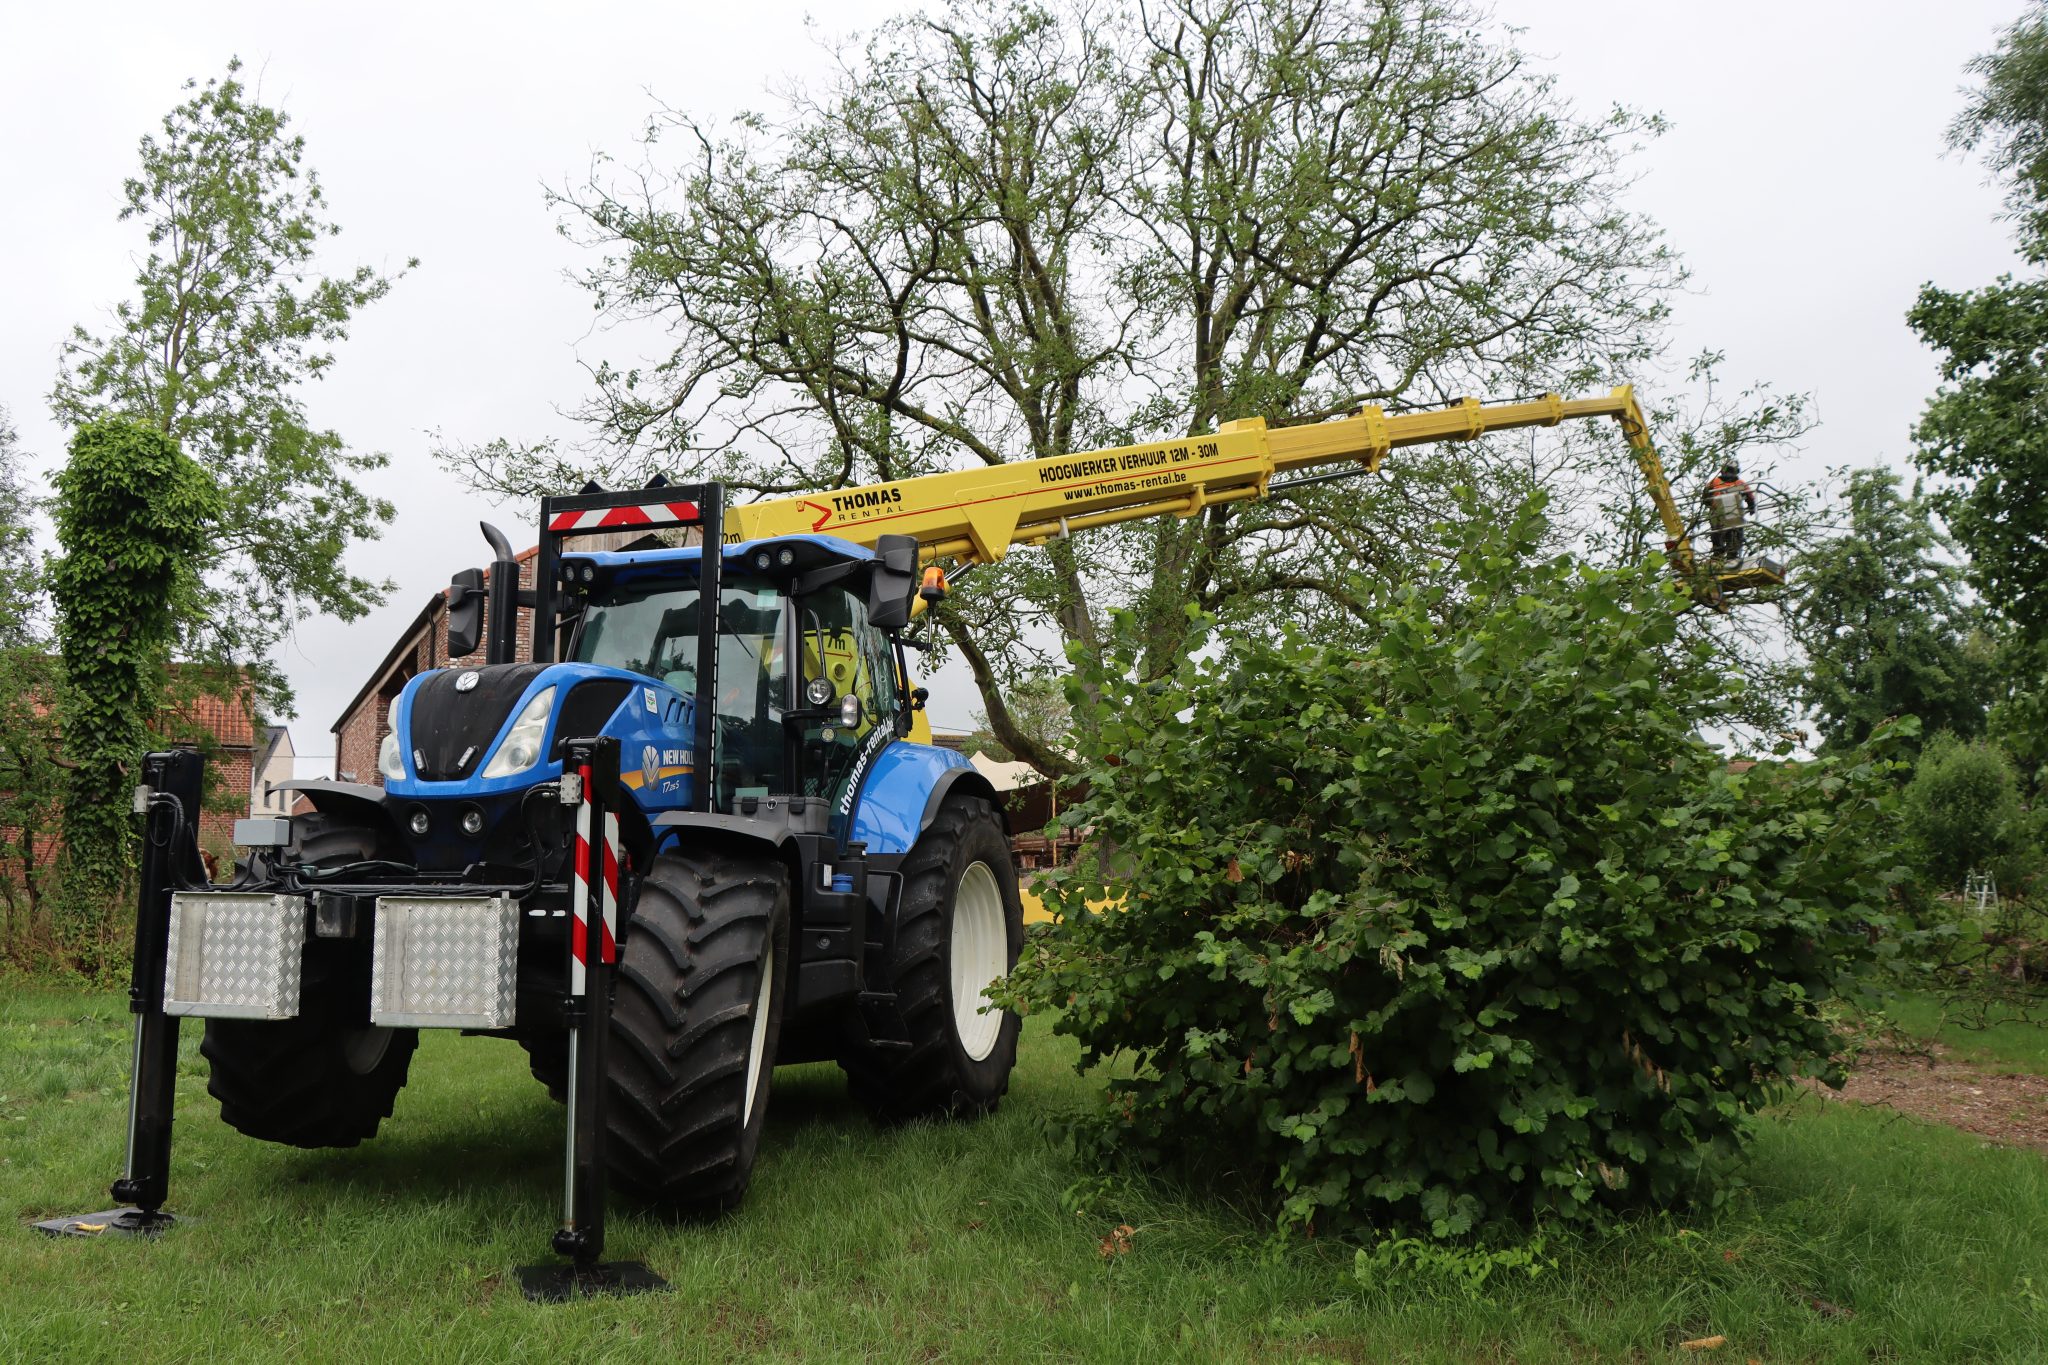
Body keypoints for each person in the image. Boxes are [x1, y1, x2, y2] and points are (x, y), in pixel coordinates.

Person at [1703, 462, 1756, 560]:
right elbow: (1750, 497)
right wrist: (1751, 507)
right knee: (1735, 531)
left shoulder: (1714, 481)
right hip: (1734, 513)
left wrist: (1710, 504)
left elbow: (1705, 497)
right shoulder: (1740, 483)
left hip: (1718, 513)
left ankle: (1718, 553)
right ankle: (1731, 554)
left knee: (1717, 532)